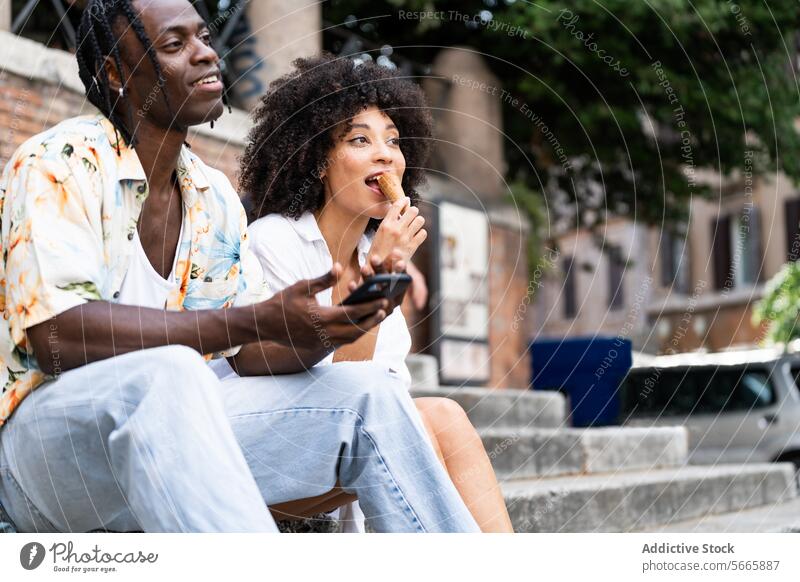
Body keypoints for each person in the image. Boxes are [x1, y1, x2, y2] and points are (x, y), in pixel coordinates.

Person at [0, 0, 480, 533]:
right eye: (175, 45)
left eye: (203, 36)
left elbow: (250, 356)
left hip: (185, 439)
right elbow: (57, 338)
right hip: (50, 456)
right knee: (172, 369)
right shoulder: (58, 162)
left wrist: (328, 324)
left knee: (371, 393)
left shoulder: (215, 199)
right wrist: (254, 321)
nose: (206, 53)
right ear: (117, 73)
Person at [236, 54, 514, 532]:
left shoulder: (372, 247)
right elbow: (351, 388)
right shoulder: (274, 240)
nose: (386, 155)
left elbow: (386, 391)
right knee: (420, 425)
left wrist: (379, 266)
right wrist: (378, 274)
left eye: (393, 140)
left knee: (445, 415)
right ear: (318, 161)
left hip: (363, 443)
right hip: (289, 441)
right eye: (360, 140)